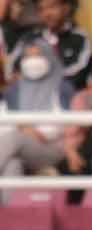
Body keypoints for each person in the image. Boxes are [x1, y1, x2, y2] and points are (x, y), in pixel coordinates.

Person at [0, 37, 74, 178]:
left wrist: (28, 130)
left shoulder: (62, 87)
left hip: (51, 147)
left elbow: (65, 125)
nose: (32, 61)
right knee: (12, 165)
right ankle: (12, 201)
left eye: (37, 55)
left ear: (49, 58)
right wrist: (23, 129)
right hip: (19, 146)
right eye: (28, 56)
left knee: (14, 139)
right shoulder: (14, 90)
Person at [16, 0, 92, 89]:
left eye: (52, 7)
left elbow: (79, 73)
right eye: (41, 9)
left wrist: (44, 76)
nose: (47, 14)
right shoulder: (30, 38)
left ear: (66, 8)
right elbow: (12, 69)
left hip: (66, 97)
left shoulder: (80, 39)